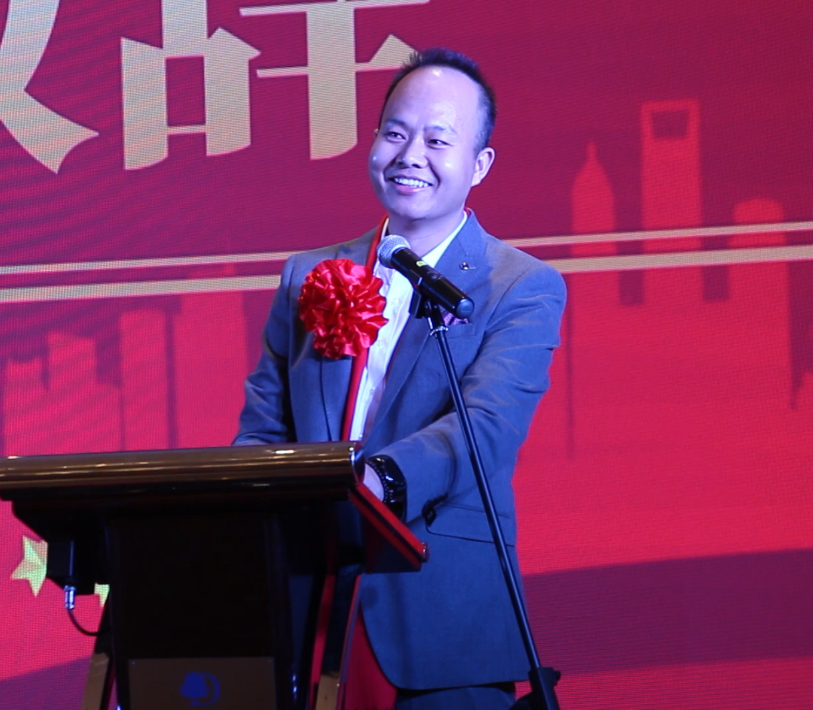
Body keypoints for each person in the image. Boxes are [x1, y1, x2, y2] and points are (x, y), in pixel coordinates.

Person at [235, 48, 566, 710]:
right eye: (395, 133)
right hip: (304, 605)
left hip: (439, 614)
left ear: (479, 165)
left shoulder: (521, 286)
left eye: (437, 141)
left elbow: (487, 428)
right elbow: (264, 431)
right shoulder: (308, 275)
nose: (410, 155)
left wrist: (374, 483)